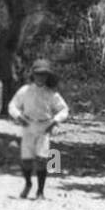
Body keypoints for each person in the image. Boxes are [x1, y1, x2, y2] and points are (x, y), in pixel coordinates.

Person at [8, 59, 69, 199]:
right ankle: (28, 183)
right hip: (28, 125)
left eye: (43, 74)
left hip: (44, 127)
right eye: (38, 74)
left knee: (42, 159)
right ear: (33, 75)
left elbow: (64, 110)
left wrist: (54, 121)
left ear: (48, 76)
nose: (40, 77)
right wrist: (18, 116)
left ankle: (40, 191)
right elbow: (12, 105)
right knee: (26, 159)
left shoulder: (51, 94)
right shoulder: (25, 90)